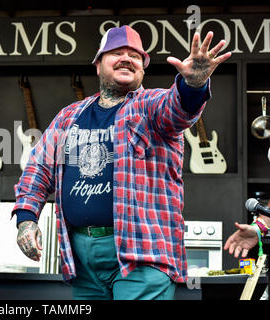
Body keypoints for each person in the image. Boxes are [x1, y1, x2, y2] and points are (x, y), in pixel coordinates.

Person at [13, 25, 231, 300]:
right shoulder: (69, 116)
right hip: (82, 261)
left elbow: (177, 110)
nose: (127, 58)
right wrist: (26, 219)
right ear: (98, 65)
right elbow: (38, 169)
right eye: (117, 52)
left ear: (142, 69)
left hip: (142, 255)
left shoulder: (150, 105)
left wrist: (193, 85)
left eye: (135, 56)